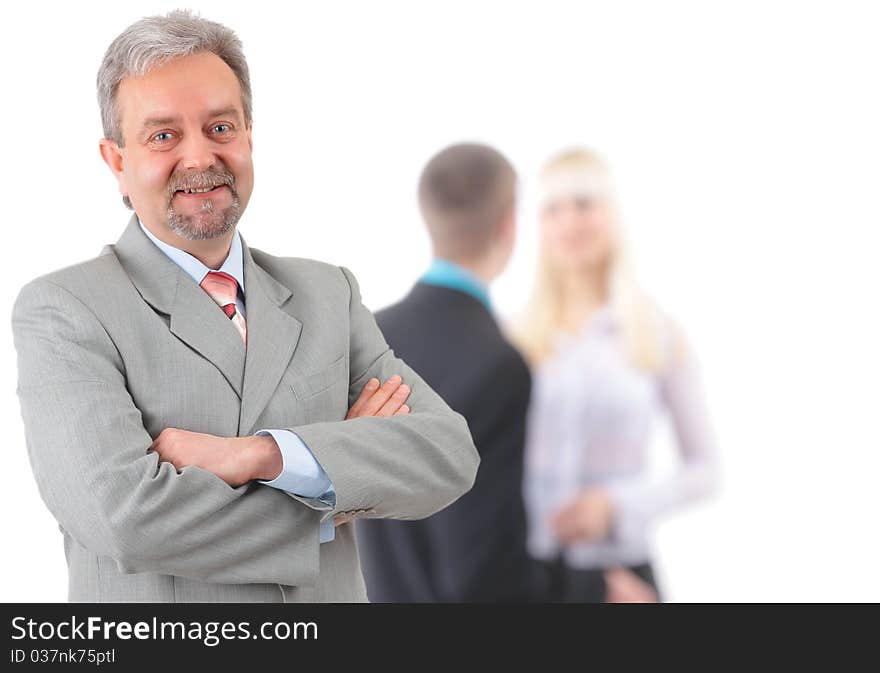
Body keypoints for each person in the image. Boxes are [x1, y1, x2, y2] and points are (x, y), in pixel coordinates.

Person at [10, 10, 478, 603]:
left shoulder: (328, 293)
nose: (200, 157)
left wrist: (259, 455)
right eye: (163, 135)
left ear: (249, 137)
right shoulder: (66, 310)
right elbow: (126, 519)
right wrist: (330, 487)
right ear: (117, 162)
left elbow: (447, 454)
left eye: (220, 127)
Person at [511, 148, 719, 602]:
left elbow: (706, 469)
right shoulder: (515, 337)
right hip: (527, 572)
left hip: (620, 575)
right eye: (553, 209)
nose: (570, 222)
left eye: (584, 203)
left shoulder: (658, 332)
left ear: (611, 213)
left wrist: (616, 506)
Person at [356, 143, 535, 602]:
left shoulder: (370, 333)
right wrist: (593, 588)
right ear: (509, 225)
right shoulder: (498, 365)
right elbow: (484, 572)